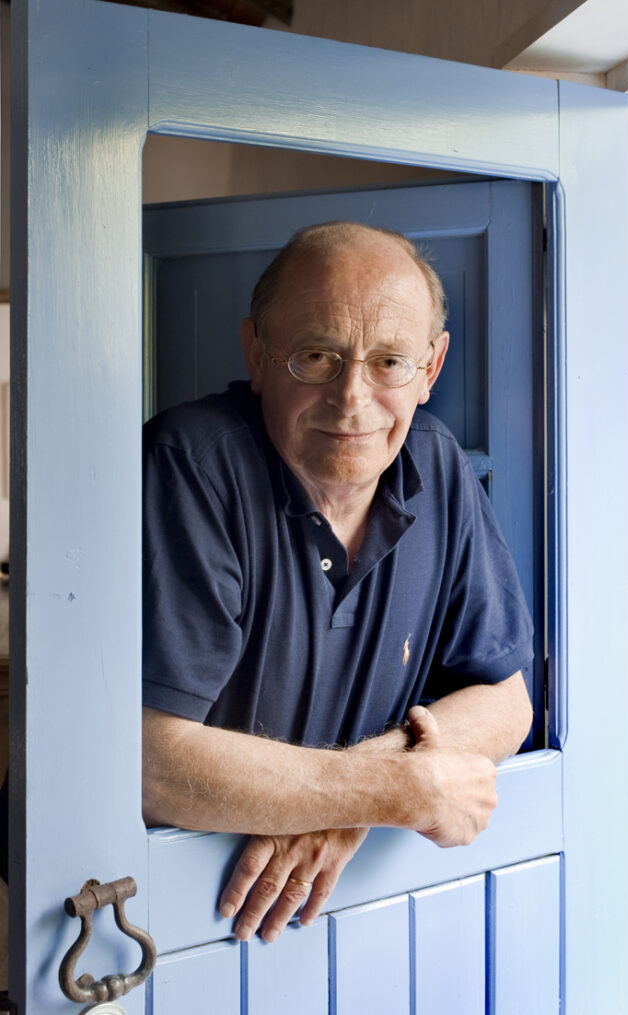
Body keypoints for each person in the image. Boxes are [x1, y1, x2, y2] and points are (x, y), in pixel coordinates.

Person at [141, 220, 534, 946]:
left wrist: (365, 795)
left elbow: (507, 701)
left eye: (389, 361)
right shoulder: (188, 464)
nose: (352, 398)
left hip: (331, 920)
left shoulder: (438, 465)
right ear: (257, 352)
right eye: (317, 356)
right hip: (155, 916)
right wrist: (403, 789)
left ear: (431, 367)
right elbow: (149, 761)